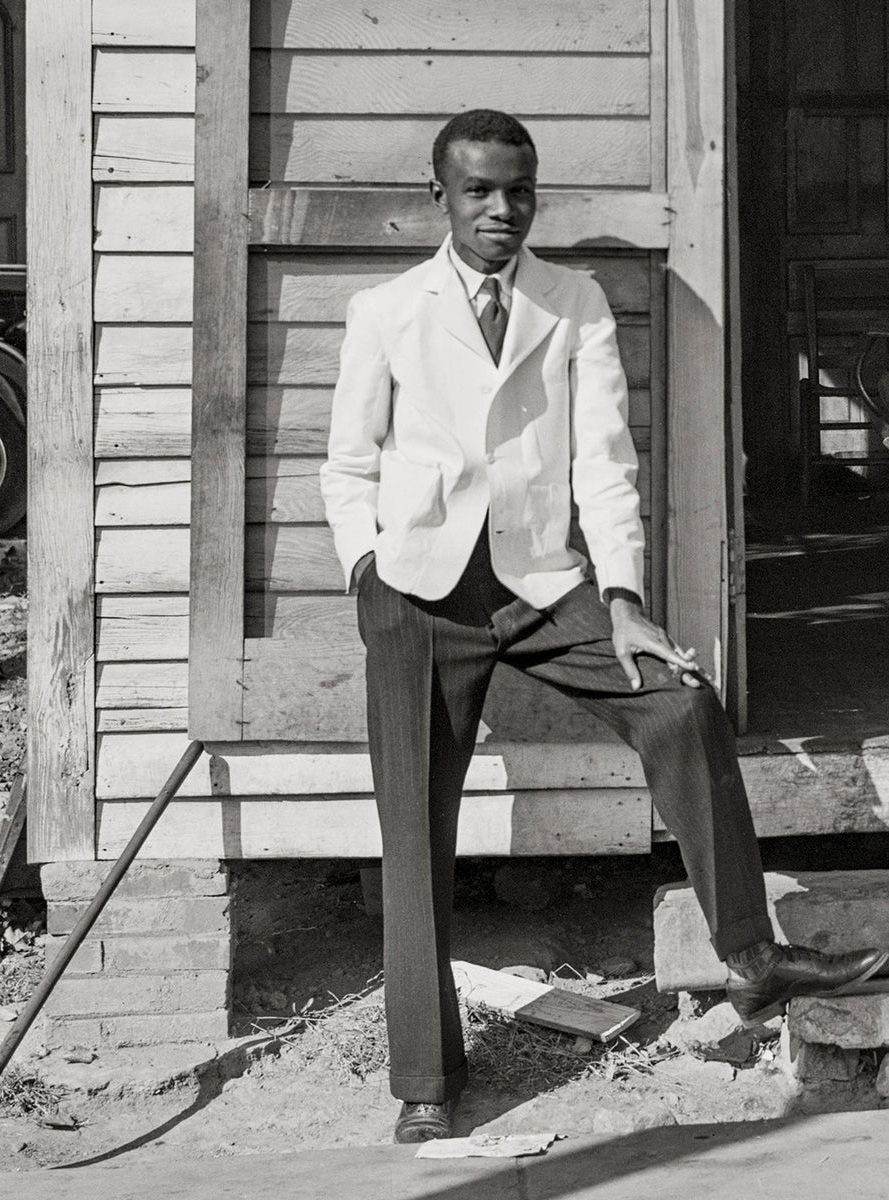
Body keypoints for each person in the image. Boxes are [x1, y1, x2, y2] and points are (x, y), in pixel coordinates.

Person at [319, 109, 889, 1145]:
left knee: (680, 705)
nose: (502, 210)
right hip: (418, 597)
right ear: (438, 194)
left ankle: (753, 963)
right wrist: (367, 571)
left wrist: (623, 602)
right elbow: (347, 465)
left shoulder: (571, 302)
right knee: (413, 833)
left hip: (541, 584)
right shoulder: (386, 312)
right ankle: (425, 1078)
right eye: (480, 191)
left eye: (520, 190)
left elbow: (603, 466)